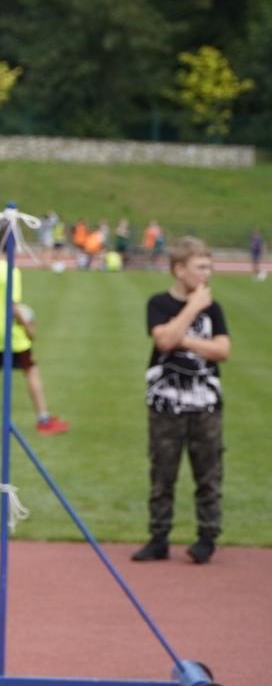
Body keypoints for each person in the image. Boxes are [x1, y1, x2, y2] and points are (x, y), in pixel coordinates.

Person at [133, 237, 232, 565]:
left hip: (205, 405)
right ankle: (158, 536)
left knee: (208, 473)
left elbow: (222, 350)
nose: (207, 274)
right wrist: (192, 309)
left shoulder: (214, 309)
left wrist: (183, 340)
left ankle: (207, 537)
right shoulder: (159, 304)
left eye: (209, 266)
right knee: (162, 471)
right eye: (200, 267)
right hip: (165, 404)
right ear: (179, 269)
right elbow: (162, 341)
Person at [0, 225, 67, 435]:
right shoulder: (11, 271)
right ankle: (43, 418)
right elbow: (13, 305)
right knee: (31, 371)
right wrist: (28, 328)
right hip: (11, 334)